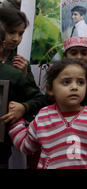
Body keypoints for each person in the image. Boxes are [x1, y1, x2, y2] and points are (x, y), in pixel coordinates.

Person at [0, 22, 46, 169]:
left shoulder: (12, 73)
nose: (16, 38)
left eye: (20, 33)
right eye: (12, 32)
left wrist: (24, 107)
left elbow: (39, 99)